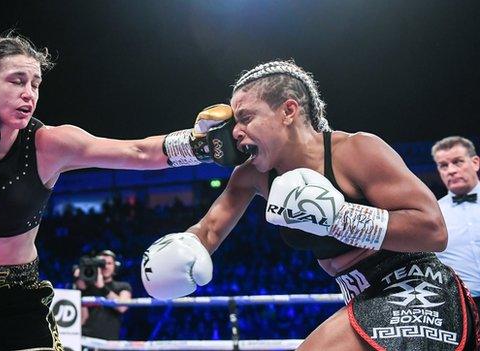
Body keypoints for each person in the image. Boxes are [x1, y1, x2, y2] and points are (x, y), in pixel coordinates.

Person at [0, 32, 244, 351]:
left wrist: (197, 147)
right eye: (17, 80)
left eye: (35, 84)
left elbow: (136, 151)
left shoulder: (47, 144)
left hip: (15, 300)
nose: (29, 93)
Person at [141, 60, 480, 350]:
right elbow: (210, 229)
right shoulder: (254, 175)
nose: (236, 133)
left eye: (245, 118)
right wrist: (183, 247)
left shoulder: (356, 151)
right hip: (361, 297)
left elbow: (433, 231)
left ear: (289, 110)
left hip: (416, 290)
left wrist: (340, 218)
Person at [432, 136, 480, 313]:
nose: (451, 170)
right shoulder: (433, 213)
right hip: (460, 308)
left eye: (458, 162)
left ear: (475, 162)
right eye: (443, 166)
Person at [73, 250, 132, 341]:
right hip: (86, 341)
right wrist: (79, 284)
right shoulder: (86, 287)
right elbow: (82, 318)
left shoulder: (123, 286)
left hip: (109, 343)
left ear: (115, 267)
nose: (105, 266)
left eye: (109, 263)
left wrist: (102, 287)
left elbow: (122, 307)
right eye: (102, 263)